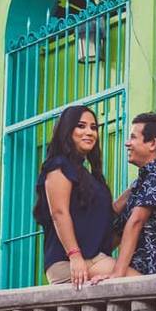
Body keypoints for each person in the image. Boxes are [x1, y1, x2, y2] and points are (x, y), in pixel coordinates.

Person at [92, 112, 156, 282]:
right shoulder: (139, 183)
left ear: (152, 143)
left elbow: (136, 221)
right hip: (141, 276)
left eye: (133, 137)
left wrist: (117, 274)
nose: (127, 143)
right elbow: (116, 225)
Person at [33, 105, 115, 290]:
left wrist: (134, 191)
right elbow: (59, 212)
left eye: (93, 127)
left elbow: (106, 215)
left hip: (93, 258)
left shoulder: (90, 177)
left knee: (138, 281)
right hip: (68, 262)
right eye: (81, 126)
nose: (89, 132)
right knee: (133, 282)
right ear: (67, 130)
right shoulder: (58, 166)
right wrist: (75, 256)